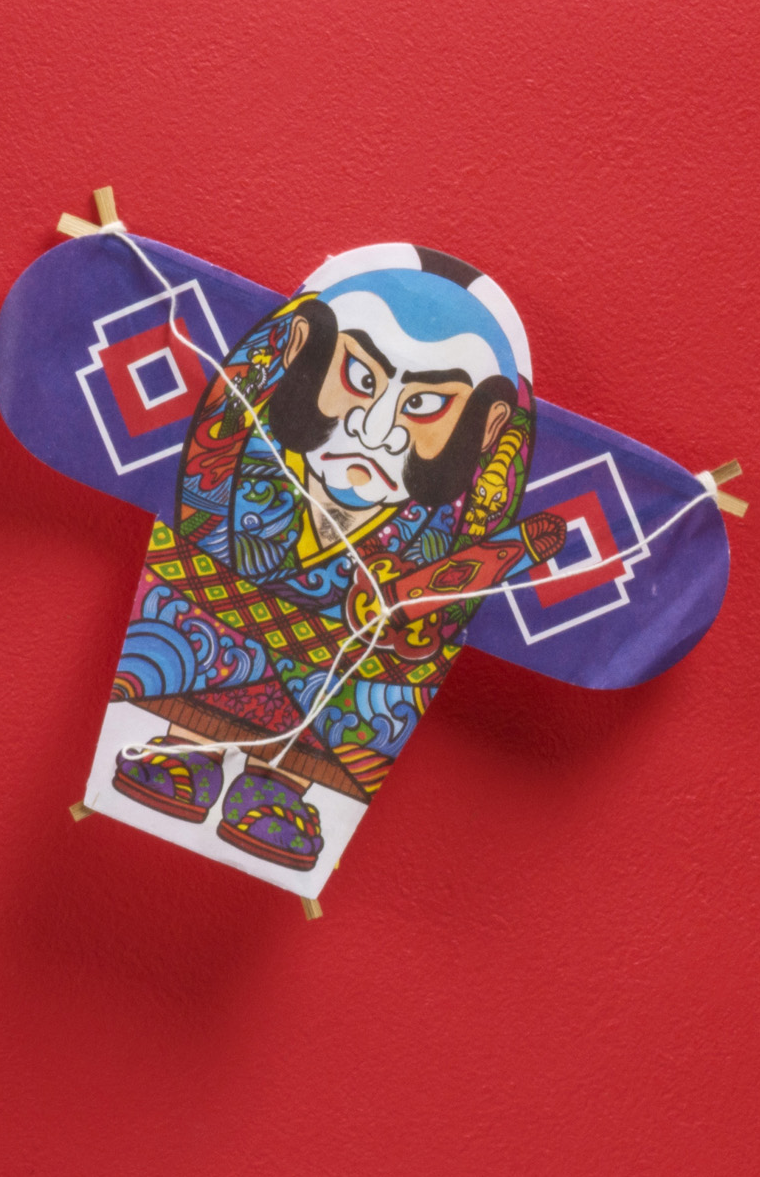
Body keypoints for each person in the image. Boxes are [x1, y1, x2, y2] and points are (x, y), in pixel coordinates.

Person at [99, 245, 560, 890]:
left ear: (487, 430)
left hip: (335, 697)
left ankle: (280, 784)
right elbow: (207, 468)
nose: (376, 430)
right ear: (301, 350)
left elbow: (447, 598)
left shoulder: (438, 530)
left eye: (425, 405)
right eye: (361, 378)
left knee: (377, 684)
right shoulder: (247, 457)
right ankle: (183, 744)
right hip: (208, 649)